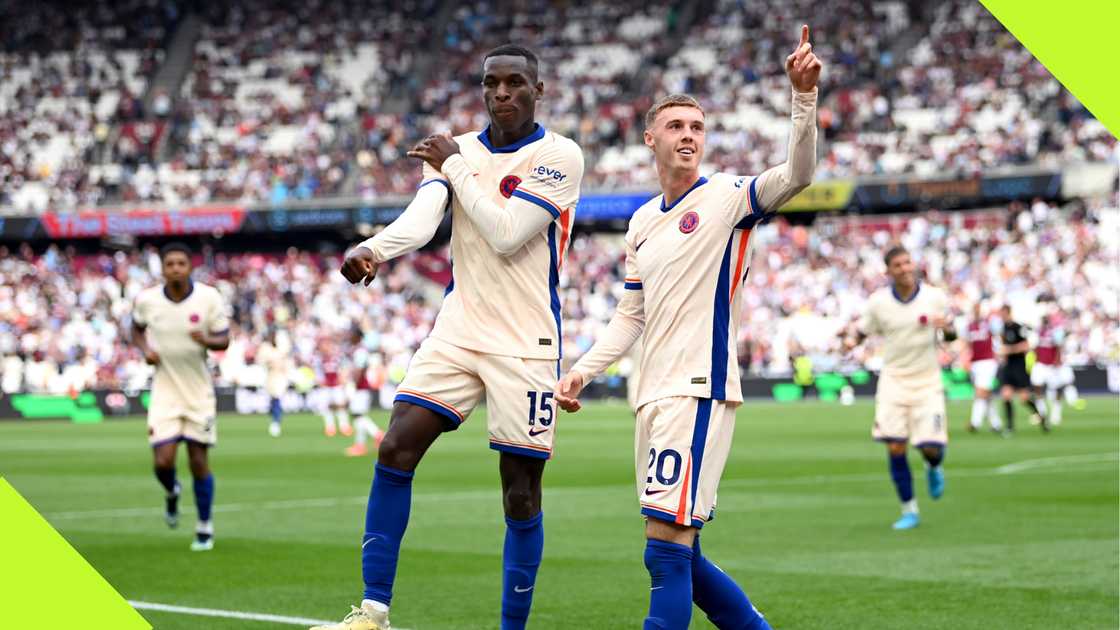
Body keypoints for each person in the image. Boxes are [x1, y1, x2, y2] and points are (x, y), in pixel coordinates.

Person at [554, 25, 820, 630]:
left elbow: (796, 175)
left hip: (697, 390)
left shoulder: (726, 197)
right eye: (676, 127)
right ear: (650, 139)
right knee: (684, 552)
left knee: (664, 546)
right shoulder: (643, 221)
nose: (689, 137)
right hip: (651, 394)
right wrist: (582, 372)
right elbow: (631, 316)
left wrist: (803, 100)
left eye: (697, 128)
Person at [315, 43, 584, 630]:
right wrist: (374, 249)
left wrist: (456, 164)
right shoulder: (456, 150)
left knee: (519, 494)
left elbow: (509, 232)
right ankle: (372, 613)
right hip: (459, 328)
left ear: (538, 91)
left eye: (515, 83)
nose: (502, 93)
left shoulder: (560, 156)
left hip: (525, 340)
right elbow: (424, 214)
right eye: (492, 84)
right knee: (394, 448)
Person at [844, 246, 956, 531]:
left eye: (908, 262)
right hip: (894, 380)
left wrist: (948, 328)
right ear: (889, 271)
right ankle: (909, 510)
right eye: (898, 265)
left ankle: (933, 466)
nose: (905, 268)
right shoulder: (878, 302)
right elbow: (862, 331)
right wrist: (849, 342)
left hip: (927, 380)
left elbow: (952, 334)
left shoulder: (934, 297)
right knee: (895, 445)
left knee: (931, 448)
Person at [131, 242, 230, 551]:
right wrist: (145, 349)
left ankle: (204, 526)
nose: (175, 268)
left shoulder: (208, 297)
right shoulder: (147, 301)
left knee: (199, 461)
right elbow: (134, 329)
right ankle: (172, 491)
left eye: (181, 263)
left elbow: (224, 339)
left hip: (199, 392)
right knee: (163, 462)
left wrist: (208, 339)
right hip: (164, 391)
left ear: (190, 267)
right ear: (162, 268)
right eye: (169, 263)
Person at [997, 304, 1047, 433]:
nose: (1001, 316)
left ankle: (1040, 416)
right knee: (1006, 395)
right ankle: (1009, 427)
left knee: (1024, 398)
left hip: (1019, 366)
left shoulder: (1018, 327)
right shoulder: (1002, 328)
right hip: (1008, 366)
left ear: (1008, 313)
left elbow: (1026, 346)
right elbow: (1002, 345)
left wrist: (1009, 350)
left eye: (1003, 313)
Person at [964, 302, 1002, 432]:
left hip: (988, 361)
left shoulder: (990, 323)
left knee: (980, 392)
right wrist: (967, 360)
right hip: (976, 362)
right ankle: (996, 423)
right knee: (986, 394)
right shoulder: (970, 326)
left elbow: (998, 336)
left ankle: (975, 422)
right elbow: (968, 344)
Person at [256, 329, 291, 437]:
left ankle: (276, 421)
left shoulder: (282, 347)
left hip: (281, 376)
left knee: (277, 398)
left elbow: (285, 359)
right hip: (271, 376)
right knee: (273, 399)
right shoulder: (265, 348)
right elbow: (260, 360)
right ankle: (274, 418)